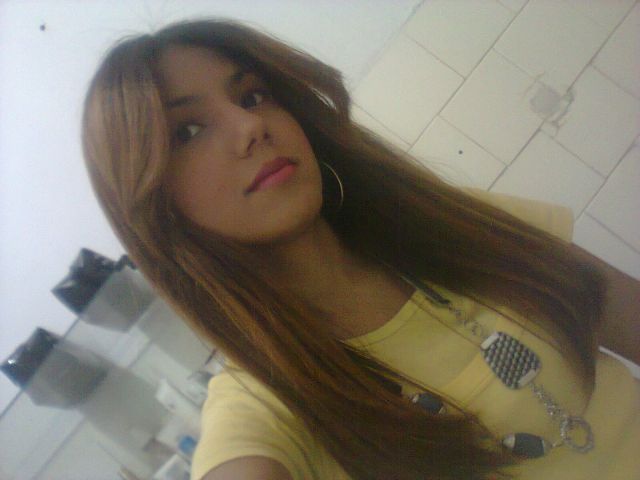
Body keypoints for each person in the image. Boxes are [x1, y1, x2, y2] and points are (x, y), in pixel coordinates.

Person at [81, 18, 640, 480]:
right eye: (187, 131)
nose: (251, 124)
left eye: (252, 96)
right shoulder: (268, 399)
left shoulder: (443, 223)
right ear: (156, 205)